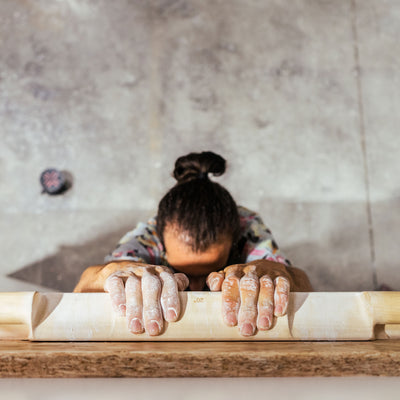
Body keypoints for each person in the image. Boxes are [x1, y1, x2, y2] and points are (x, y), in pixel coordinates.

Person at [74, 151, 312, 337]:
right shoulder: (149, 233)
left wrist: (273, 272)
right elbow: (86, 284)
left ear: (235, 242)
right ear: (160, 242)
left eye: (209, 272)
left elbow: (302, 283)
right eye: (185, 273)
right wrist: (117, 274)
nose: (196, 289)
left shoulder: (247, 226)